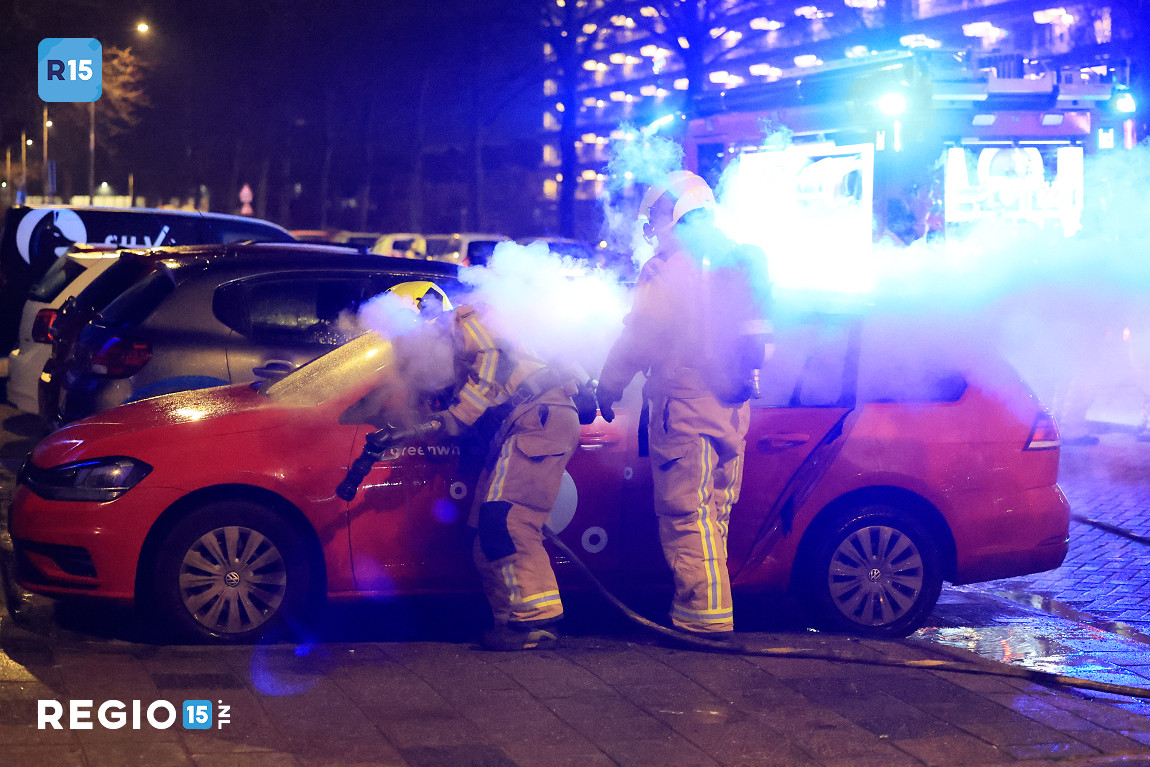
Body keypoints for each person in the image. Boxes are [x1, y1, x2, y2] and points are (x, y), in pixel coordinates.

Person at [595, 171, 772, 639]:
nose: (653, 230)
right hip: (732, 407)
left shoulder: (668, 267)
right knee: (713, 514)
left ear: (674, 213)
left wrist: (608, 386)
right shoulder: (736, 259)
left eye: (656, 218)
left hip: (685, 407)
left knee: (686, 516)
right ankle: (710, 608)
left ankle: (704, 622)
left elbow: (640, 336)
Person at [389, 281, 583, 651]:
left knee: (507, 519)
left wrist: (457, 416)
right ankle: (510, 620)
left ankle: (536, 623)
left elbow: (494, 359)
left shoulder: (468, 322)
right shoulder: (456, 342)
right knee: (482, 529)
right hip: (521, 423)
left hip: (539, 419)